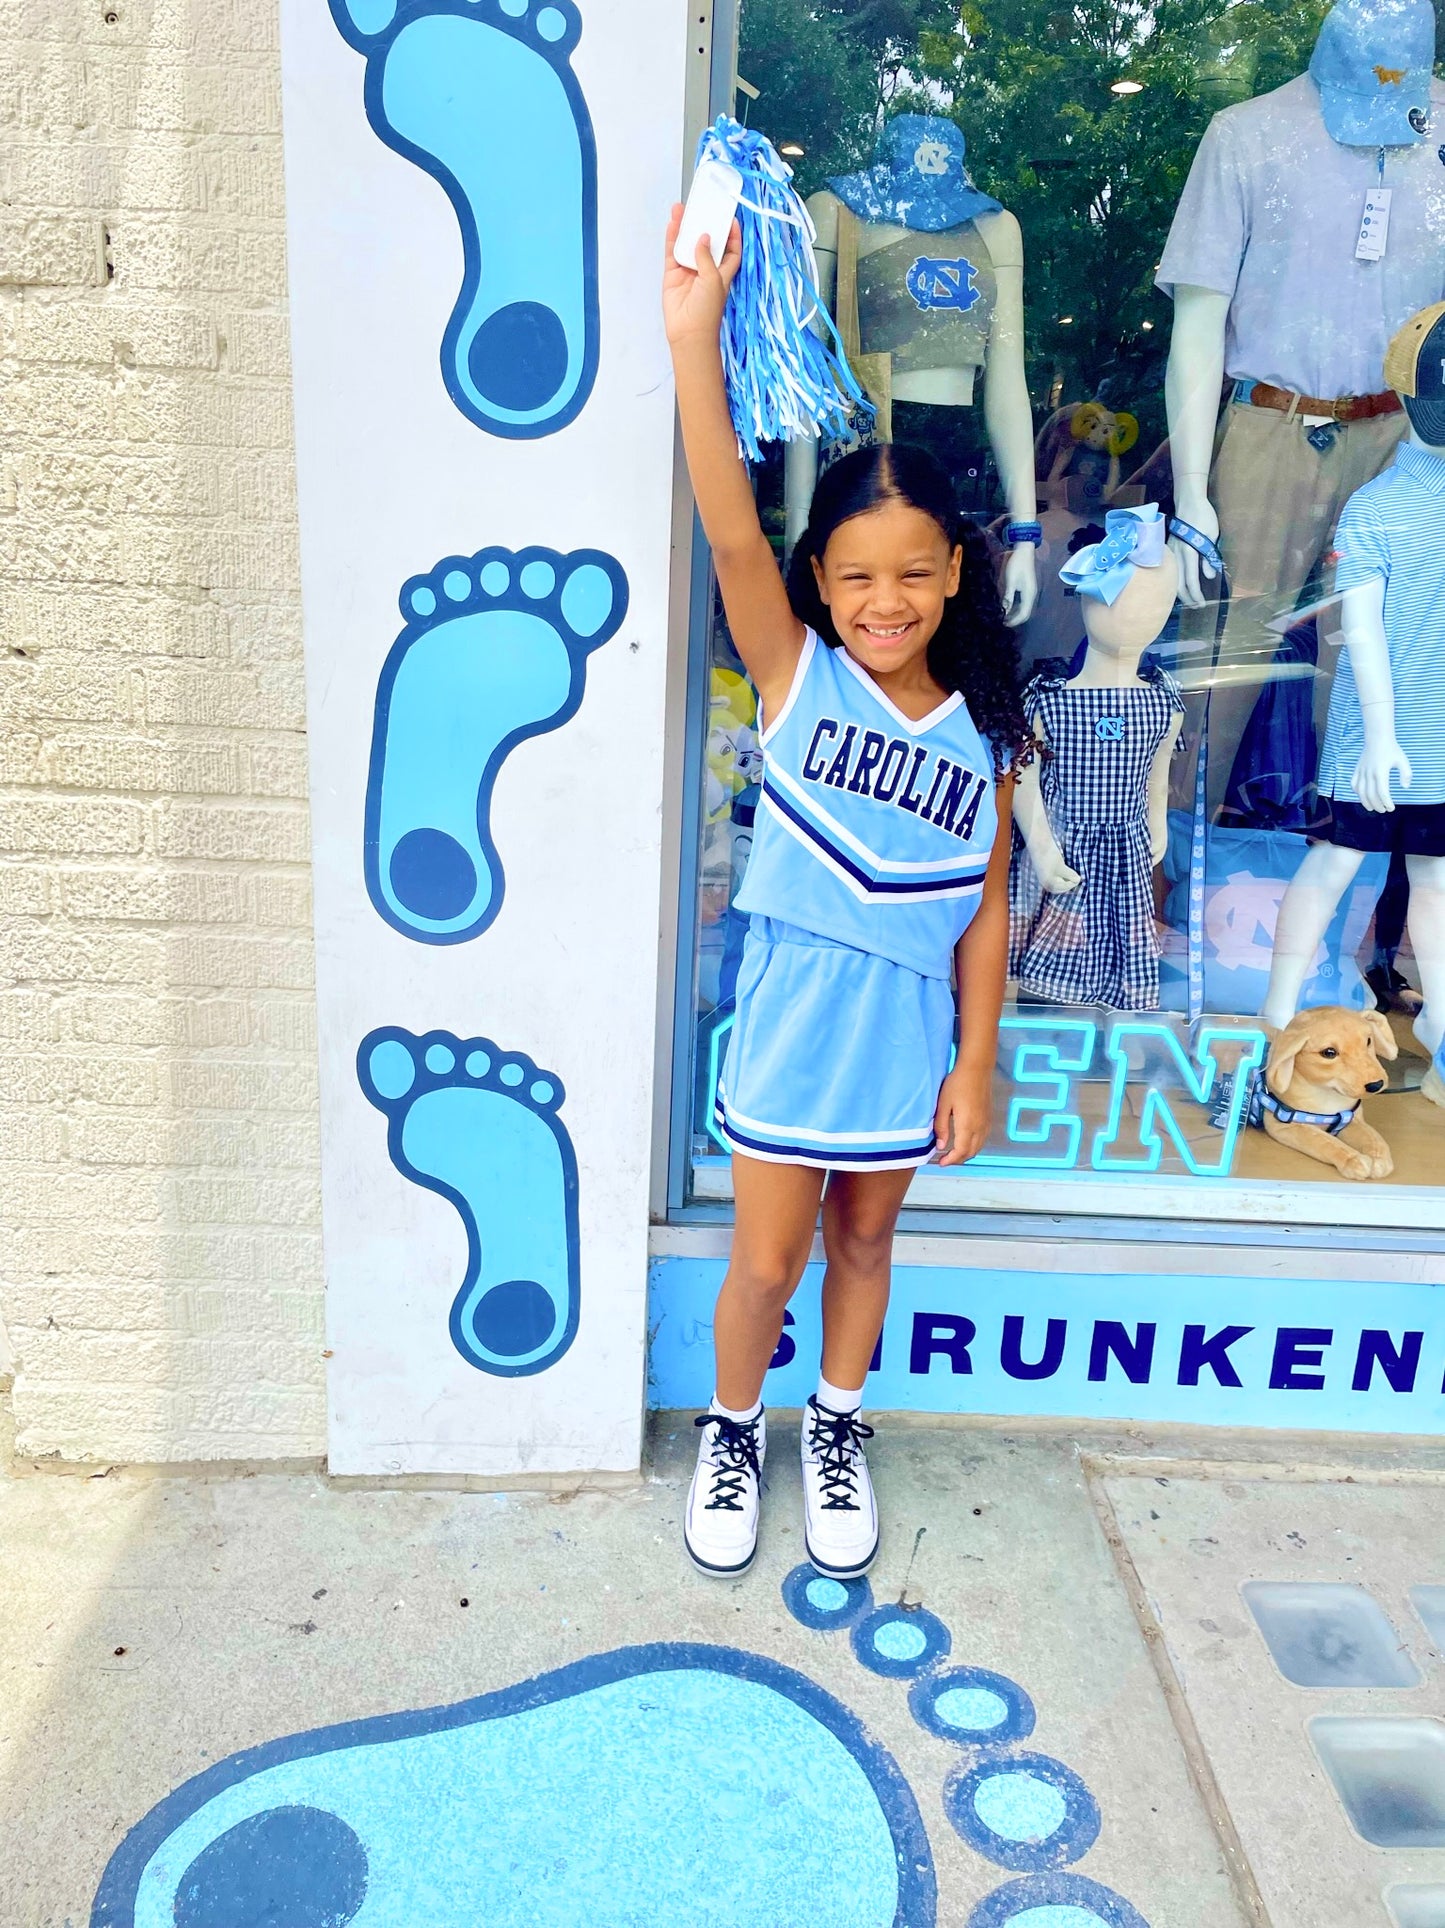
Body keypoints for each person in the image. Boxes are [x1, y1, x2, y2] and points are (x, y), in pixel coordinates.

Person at [662, 207, 1030, 1581]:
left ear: (953, 576)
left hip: (901, 1036)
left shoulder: (984, 725)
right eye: (858, 576)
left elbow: (985, 907)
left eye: (915, 575)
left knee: (866, 1236)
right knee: (763, 1261)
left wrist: (976, 1061)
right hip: (792, 1016)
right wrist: (694, 338)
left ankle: (836, 1420)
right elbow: (727, 526)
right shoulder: (795, 674)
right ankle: (733, 1425)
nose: (887, 600)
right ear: (821, 581)